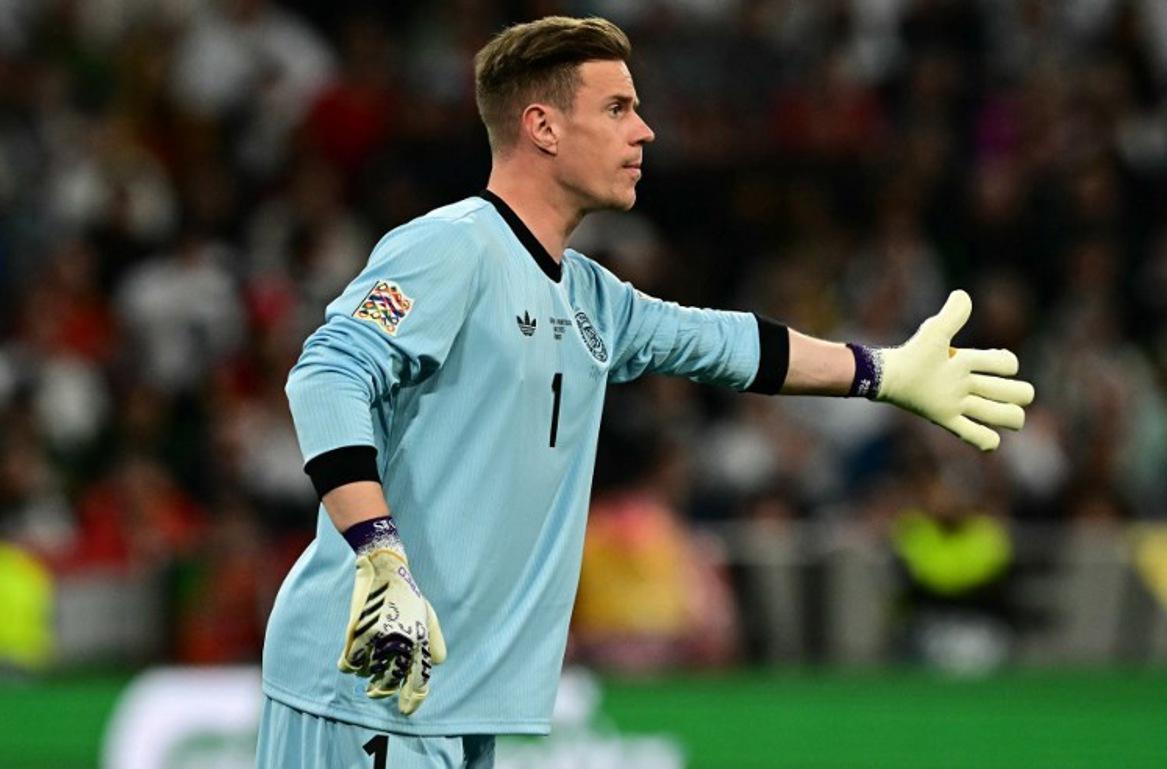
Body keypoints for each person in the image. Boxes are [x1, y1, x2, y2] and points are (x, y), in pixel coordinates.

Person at [256, 16, 1035, 769]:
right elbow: (327, 374)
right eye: (617, 108)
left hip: (448, 695)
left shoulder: (591, 296)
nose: (645, 131)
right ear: (543, 127)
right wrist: (380, 557)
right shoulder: (453, 247)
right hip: (366, 678)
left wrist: (882, 372)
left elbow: (729, 344)